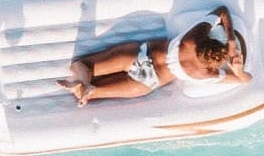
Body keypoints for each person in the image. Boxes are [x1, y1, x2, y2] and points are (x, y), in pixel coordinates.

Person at [57, 6, 252, 106]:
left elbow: (222, 11)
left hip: (139, 55)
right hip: (148, 82)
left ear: (209, 41)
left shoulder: (193, 38)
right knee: (93, 93)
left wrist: (232, 41)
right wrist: (238, 70)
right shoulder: (204, 74)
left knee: (82, 64)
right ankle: (86, 89)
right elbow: (244, 81)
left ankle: (83, 81)